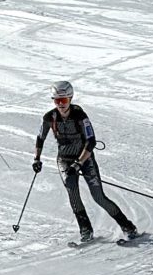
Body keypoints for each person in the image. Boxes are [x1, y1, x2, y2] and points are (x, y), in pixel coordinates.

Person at [32, 81, 138, 242]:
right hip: (64, 160)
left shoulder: (80, 115)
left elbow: (91, 141)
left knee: (98, 197)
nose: (60, 104)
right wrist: (37, 159)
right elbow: (40, 138)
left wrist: (79, 163)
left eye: (64, 100)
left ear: (70, 99)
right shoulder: (49, 117)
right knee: (73, 194)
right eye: (57, 101)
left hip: (85, 159)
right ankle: (85, 231)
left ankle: (128, 227)